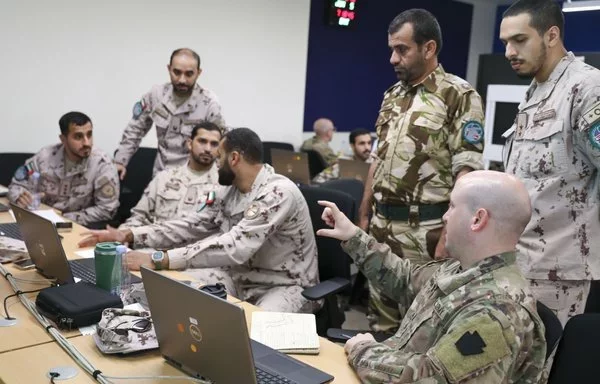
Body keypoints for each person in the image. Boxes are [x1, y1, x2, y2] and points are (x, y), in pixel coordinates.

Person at [318, 170, 545, 383]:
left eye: (452, 206)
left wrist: (364, 350)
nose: (445, 217)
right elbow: (406, 279)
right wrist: (353, 236)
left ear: (477, 219)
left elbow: (433, 378)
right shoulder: (463, 268)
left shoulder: (496, 311)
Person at [80, 128, 319, 313]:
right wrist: (130, 234)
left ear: (234, 159)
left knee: (259, 337)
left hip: (284, 286)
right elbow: (192, 224)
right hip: (239, 277)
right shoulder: (230, 190)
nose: (215, 163)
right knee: (168, 294)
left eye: (219, 157)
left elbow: (235, 247)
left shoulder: (278, 193)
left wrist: (159, 258)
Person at [356, 9, 485, 333]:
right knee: (380, 325)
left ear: (428, 48)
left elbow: (466, 170)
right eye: (391, 49)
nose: (392, 58)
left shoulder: (458, 95)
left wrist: (449, 234)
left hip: (424, 232)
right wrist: (364, 213)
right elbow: (378, 158)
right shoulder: (392, 96)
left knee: (421, 328)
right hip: (382, 227)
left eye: (402, 49)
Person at [500, 0, 600, 326]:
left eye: (519, 40)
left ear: (551, 35)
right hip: (522, 261)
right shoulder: (534, 92)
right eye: (505, 43)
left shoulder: (586, 88)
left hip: (560, 273)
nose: (509, 52)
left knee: (547, 370)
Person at [113, 48, 225, 179]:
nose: (182, 80)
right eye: (177, 72)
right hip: (160, 175)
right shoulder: (156, 95)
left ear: (198, 73)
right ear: (169, 69)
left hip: (193, 178)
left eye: (189, 74)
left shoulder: (209, 103)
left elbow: (221, 143)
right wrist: (120, 161)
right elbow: (135, 130)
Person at [8, 112, 119, 227]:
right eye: (78, 137)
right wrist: (20, 198)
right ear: (63, 139)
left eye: (89, 135)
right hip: (40, 224)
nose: (87, 143)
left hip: (77, 226)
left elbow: (107, 209)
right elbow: (16, 185)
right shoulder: (44, 157)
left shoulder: (102, 164)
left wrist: (62, 218)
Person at [119, 121, 222, 229]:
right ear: (190, 144)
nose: (208, 149)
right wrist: (123, 234)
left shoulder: (224, 185)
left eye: (214, 144)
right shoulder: (164, 178)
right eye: (202, 141)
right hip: (155, 243)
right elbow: (138, 217)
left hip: (199, 245)